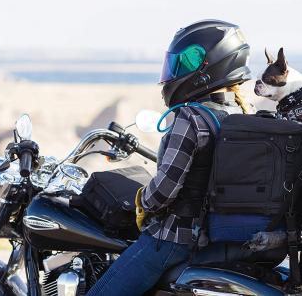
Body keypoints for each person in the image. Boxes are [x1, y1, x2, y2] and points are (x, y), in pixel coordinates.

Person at [87, 19, 253, 296]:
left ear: (209, 66)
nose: (176, 71)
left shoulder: (190, 118)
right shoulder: (241, 115)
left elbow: (162, 193)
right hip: (216, 237)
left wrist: (141, 201)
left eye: (187, 61)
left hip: (173, 239)